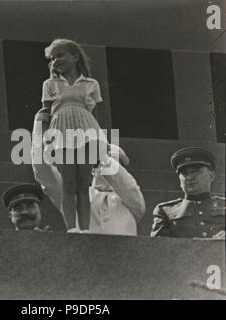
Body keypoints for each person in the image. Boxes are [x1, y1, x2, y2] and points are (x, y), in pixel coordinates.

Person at [37, 38, 108, 233]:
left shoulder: (91, 84)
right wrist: (44, 136)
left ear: (75, 57)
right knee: (68, 182)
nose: (55, 61)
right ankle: (71, 228)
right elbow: (46, 110)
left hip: (86, 130)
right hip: (61, 130)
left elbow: (95, 115)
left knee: (83, 183)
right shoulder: (50, 84)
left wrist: (102, 142)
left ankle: (85, 228)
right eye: (52, 59)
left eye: (60, 55)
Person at [32, 134, 146, 235]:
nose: (106, 168)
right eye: (97, 162)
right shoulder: (74, 196)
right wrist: (40, 135)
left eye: (116, 165)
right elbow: (46, 174)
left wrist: (102, 158)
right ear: (92, 169)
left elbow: (127, 186)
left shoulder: (132, 200)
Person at [151, 147, 225, 239]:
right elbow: (158, 247)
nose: (189, 177)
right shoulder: (165, 210)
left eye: (195, 172)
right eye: (184, 173)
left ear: (212, 176)